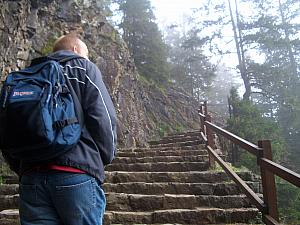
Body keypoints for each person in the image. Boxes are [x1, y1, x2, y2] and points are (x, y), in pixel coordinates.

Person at [5, 34, 117, 225]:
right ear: (75, 50)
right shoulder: (83, 67)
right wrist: (103, 157)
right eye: (86, 53)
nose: (87, 58)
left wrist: (21, 166)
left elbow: (8, 125)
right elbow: (103, 117)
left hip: (31, 176)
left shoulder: (29, 75)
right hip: (76, 172)